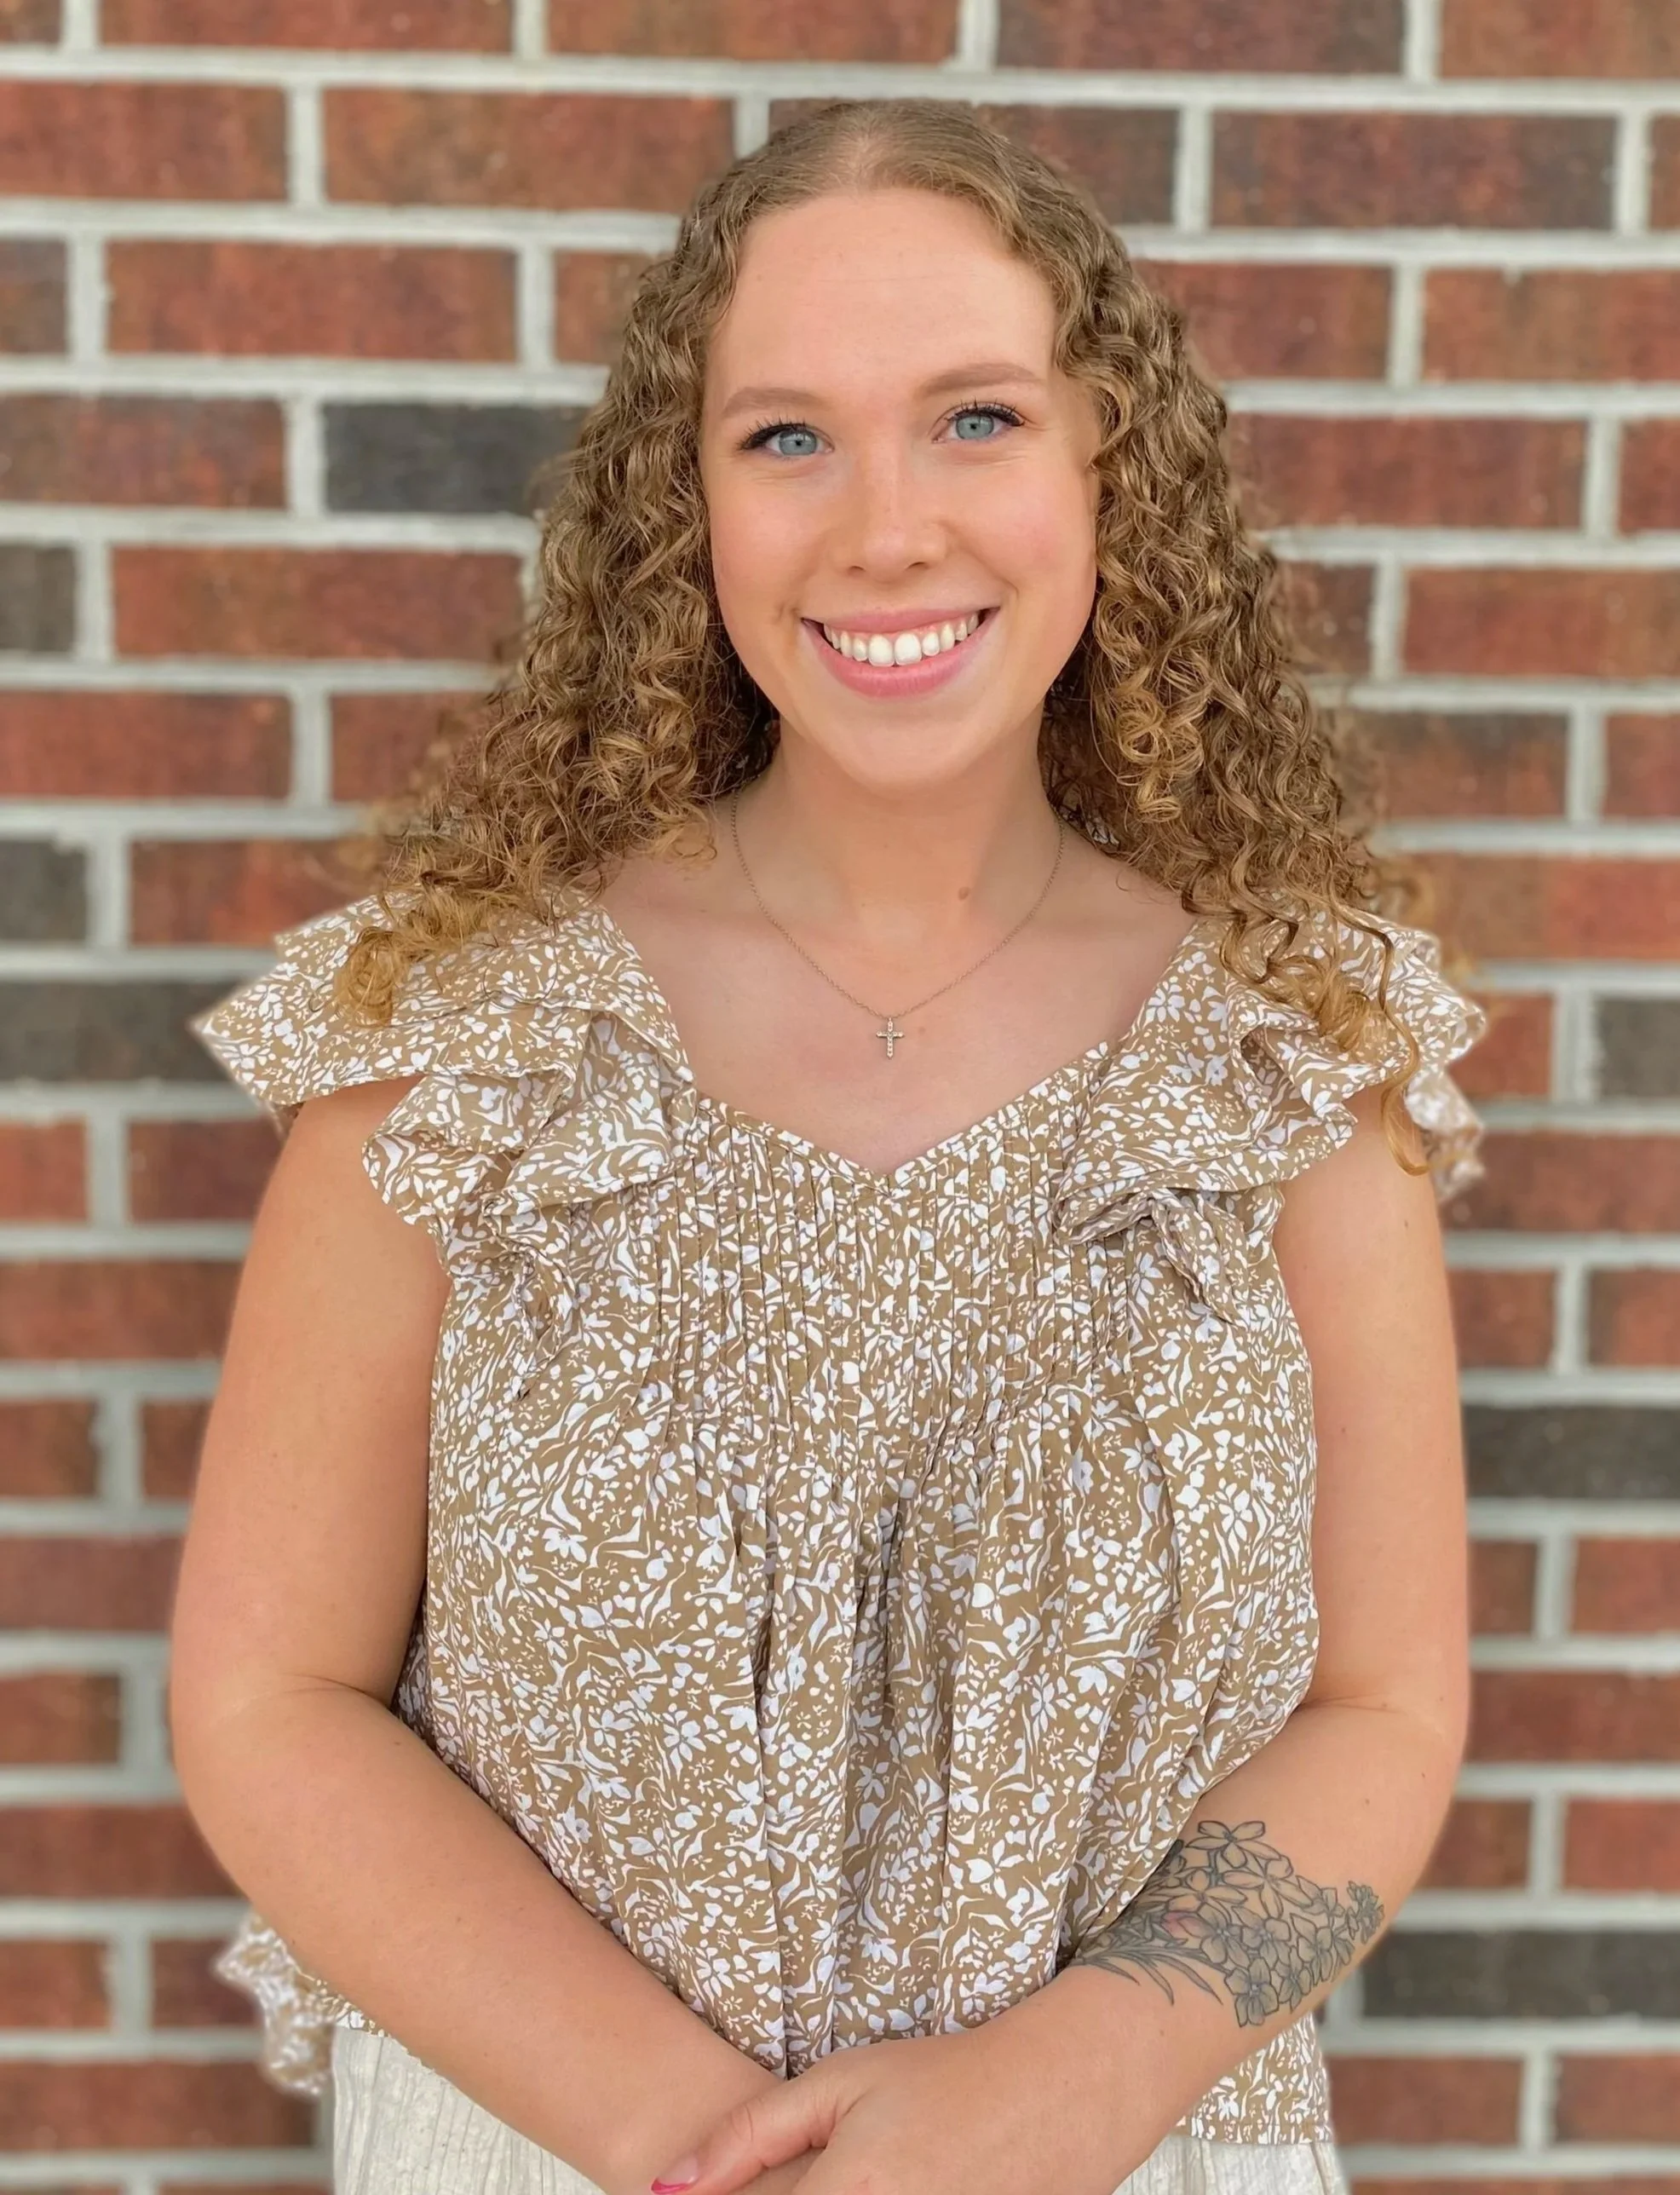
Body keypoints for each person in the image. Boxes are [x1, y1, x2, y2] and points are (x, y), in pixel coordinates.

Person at [168, 97, 1487, 2195]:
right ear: (682, 514)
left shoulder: (1286, 1057)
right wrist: (713, 2149)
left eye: (973, 419)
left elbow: (1384, 1705)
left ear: (1103, 473)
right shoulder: (462, 1043)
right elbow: (266, 1696)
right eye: (785, 438)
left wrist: (1063, 2089)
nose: (885, 527)